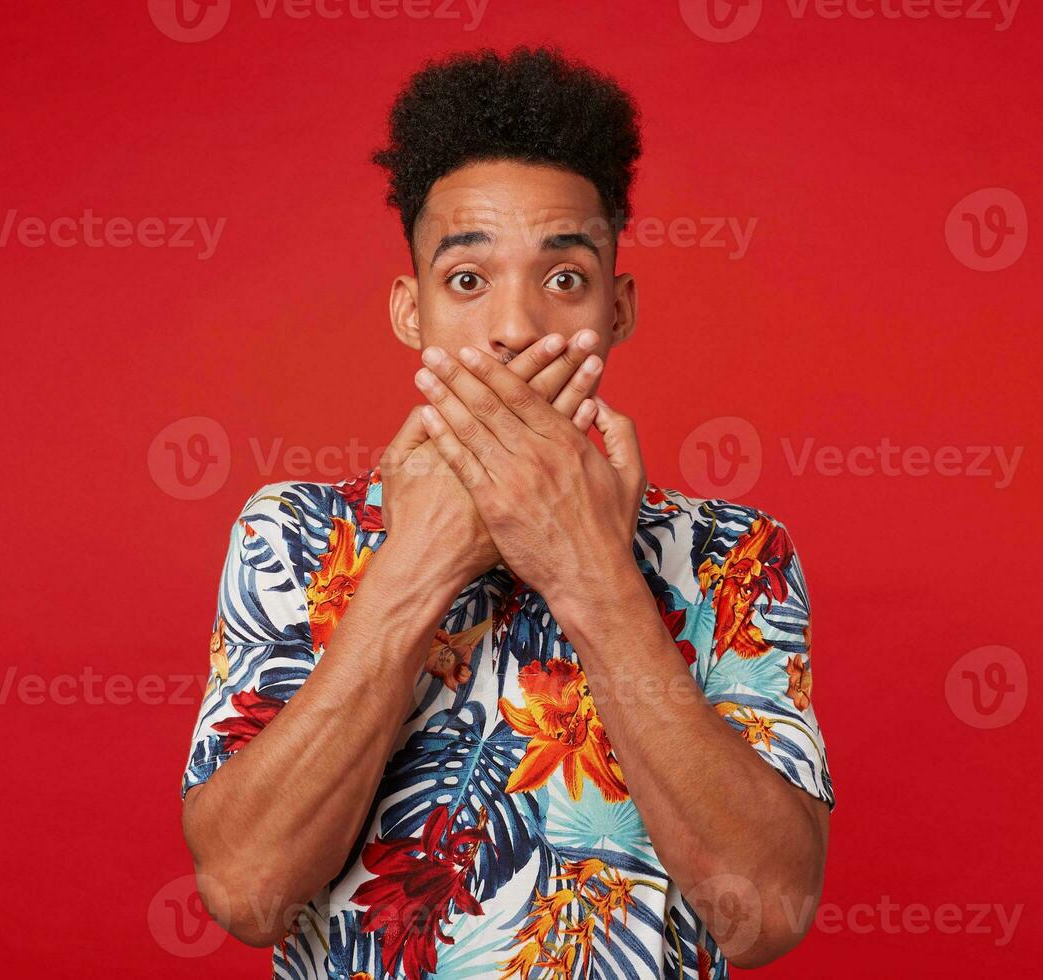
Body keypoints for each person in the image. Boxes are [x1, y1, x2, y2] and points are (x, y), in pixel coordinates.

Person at [179, 45, 833, 979]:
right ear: (411, 312)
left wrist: (591, 569)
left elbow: (766, 914)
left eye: (564, 278)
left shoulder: (734, 556)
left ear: (619, 308)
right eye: (468, 280)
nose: (516, 328)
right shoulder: (291, 535)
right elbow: (246, 893)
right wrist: (419, 566)